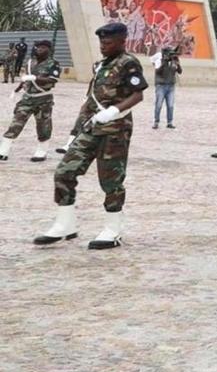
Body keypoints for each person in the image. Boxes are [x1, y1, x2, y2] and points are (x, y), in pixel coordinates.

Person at [35, 22, 147, 249]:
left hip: (115, 131)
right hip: (91, 129)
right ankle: (65, 225)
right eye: (101, 43)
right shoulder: (100, 65)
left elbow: (138, 95)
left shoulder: (129, 63)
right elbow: (89, 101)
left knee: (111, 180)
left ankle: (113, 230)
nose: (103, 47)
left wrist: (114, 111)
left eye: (108, 43)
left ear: (121, 41)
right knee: (64, 172)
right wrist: (73, 134)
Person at [2, 39, 61, 162]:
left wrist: (36, 78)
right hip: (27, 98)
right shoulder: (30, 62)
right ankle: (3, 149)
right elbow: (25, 79)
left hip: (43, 99)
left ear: (49, 49)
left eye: (43, 47)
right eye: (38, 47)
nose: (40, 49)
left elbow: (52, 80)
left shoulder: (53, 63)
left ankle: (42, 151)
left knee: (43, 125)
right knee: (16, 123)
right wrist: (16, 90)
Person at [150, 47, 181, 129]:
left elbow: (180, 71)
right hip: (161, 86)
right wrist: (164, 62)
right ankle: (156, 122)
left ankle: (169, 122)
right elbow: (158, 72)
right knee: (158, 105)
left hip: (171, 86)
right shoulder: (159, 60)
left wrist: (177, 63)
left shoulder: (174, 61)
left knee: (170, 105)